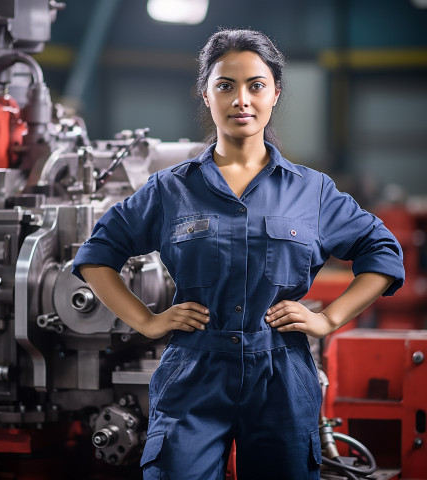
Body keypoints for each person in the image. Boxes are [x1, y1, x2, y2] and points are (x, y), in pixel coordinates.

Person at [72, 28, 404, 480]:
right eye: (225, 86)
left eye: (256, 85)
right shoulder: (171, 189)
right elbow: (97, 255)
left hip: (282, 373)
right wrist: (147, 321)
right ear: (205, 94)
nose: (241, 100)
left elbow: (381, 251)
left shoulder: (311, 191)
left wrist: (328, 318)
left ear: (275, 94)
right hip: (194, 369)